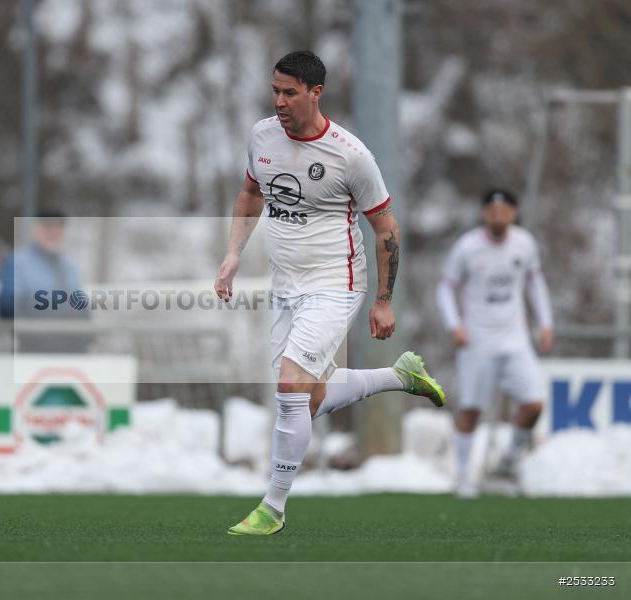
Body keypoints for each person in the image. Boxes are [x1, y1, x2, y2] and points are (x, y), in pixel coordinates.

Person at [214, 51, 445, 536]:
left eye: (290, 92)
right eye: (275, 91)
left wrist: (384, 299)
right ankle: (400, 376)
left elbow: (386, 229)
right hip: (285, 286)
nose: (279, 101)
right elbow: (251, 193)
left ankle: (272, 508)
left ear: (316, 93)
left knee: (290, 389)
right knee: (308, 398)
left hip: (336, 283)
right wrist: (234, 253)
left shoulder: (351, 155)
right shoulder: (261, 136)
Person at [436, 189, 553, 498]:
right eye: (492, 210)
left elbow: (534, 282)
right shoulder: (467, 247)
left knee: (533, 405)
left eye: (504, 210)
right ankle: (463, 477)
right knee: (471, 409)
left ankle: (509, 462)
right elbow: (446, 288)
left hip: (515, 339)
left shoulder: (525, 243)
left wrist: (545, 323)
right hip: (477, 340)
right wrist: (455, 326)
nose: (498, 216)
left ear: (514, 213)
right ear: (484, 214)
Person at [0, 209, 90, 353]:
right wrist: (34, 332)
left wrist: (86, 334)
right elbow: (8, 306)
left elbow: (81, 308)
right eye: (47, 227)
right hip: (35, 347)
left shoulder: (69, 266)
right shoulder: (19, 263)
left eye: (58, 227)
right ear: (36, 229)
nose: (53, 233)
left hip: (72, 348)